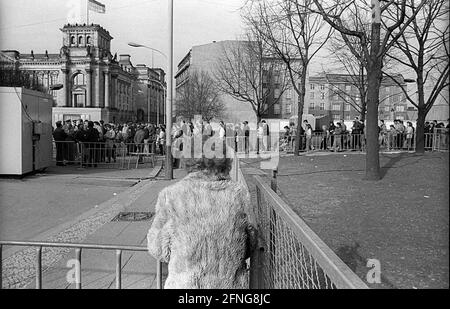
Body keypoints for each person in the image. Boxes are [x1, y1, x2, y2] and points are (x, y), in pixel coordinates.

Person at [147, 140, 256, 289]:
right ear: (224, 162)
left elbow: (158, 249)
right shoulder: (239, 194)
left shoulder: (171, 195)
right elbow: (250, 243)